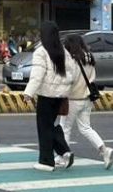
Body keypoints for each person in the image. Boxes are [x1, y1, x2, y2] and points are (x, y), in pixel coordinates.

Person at [23, 20, 75, 171]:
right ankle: (63, 151)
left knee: (44, 128)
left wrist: (28, 93)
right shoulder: (64, 51)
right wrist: (64, 89)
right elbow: (72, 74)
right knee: (49, 126)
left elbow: (37, 76)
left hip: (46, 95)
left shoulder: (41, 51)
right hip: (60, 96)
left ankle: (46, 161)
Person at [62, 32, 113, 169]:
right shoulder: (89, 57)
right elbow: (92, 78)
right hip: (87, 98)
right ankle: (104, 150)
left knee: (65, 128)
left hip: (73, 98)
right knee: (86, 128)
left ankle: (65, 155)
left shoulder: (71, 60)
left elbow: (69, 80)